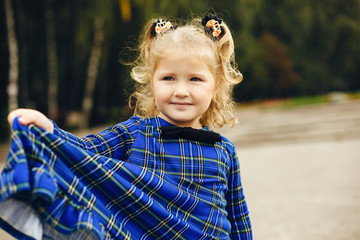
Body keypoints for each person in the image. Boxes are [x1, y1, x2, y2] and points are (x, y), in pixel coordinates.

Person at [1, 14, 252, 240]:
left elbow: (239, 220)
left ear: (216, 84)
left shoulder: (224, 151)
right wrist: (48, 130)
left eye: (195, 79)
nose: (181, 91)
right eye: (168, 78)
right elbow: (82, 151)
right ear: (152, 81)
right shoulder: (135, 133)